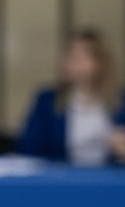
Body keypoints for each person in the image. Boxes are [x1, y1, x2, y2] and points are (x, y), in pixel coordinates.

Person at [18, 29, 125, 165]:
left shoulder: (121, 101)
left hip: (110, 182)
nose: (68, 61)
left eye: (78, 57)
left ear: (99, 63)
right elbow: (28, 151)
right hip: (62, 181)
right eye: (68, 54)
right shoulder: (46, 100)